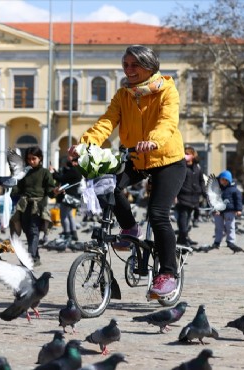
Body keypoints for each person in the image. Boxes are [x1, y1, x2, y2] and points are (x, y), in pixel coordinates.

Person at [68, 45, 186, 297]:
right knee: (105, 184)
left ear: (150, 66)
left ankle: (167, 273)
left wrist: (154, 139)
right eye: (126, 64)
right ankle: (130, 228)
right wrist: (85, 145)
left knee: (158, 214)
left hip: (167, 159)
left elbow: (168, 121)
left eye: (135, 65)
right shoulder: (124, 95)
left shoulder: (167, 90)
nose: (129, 69)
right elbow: (106, 122)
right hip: (137, 157)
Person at [10, 146, 57, 265]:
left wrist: (55, 192)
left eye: (34, 159)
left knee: (34, 231)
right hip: (24, 206)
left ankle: (29, 256)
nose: (31, 161)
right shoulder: (24, 172)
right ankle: (36, 257)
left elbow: (50, 190)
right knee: (27, 230)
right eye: (29, 159)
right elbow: (18, 187)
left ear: (40, 158)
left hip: (38, 207)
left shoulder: (45, 172)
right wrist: (12, 190)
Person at [175, 146, 206, 247]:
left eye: (188, 154)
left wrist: (203, 191)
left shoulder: (197, 167)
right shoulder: (181, 166)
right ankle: (183, 239)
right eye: (185, 153)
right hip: (183, 197)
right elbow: (177, 181)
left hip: (194, 197)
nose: (186, 156)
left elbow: (201, 180)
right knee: (183, 219)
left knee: (188, 219)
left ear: (193, 156)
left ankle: (182, 239)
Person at [52, 155, 83, 242]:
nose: (71, 162)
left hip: (67, 196)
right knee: (70, 215)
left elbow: (61, 178)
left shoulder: (74, 170)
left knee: (63, 215)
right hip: (73, 196)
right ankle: (73, 233)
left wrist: (53, 172)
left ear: (76, 162)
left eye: (73, 161)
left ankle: (67, 233)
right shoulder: (79, 171)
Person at [212, 170, 242, 249]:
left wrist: (238, 209)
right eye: (222, 179)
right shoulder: (216, 188)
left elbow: (238, 200)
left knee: (230, 226)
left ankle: (230, 241)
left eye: (226, 180)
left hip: (230, 211)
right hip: (218, 211)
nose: (224, 182)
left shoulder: (234, 189)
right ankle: (217, 241)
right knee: (218, 227)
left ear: (229, 180)